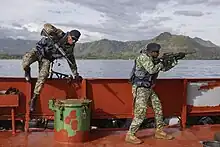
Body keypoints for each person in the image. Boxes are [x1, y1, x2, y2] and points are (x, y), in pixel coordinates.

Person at [22, 23, 82, 113]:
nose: (73, 41)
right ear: (69, 35)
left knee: (43, 76)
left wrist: (75, 74)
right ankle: (27, 71)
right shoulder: (60, 34)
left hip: (46, 59)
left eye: (75, 40)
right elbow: (46, 26)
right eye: (72, 39)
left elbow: (71, 61)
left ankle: (34, 99)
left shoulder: (69, 48)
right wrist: (51, 32)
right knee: (25, 63)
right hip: (38, 51)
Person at [125, 42, 178, 144]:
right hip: (140, 89)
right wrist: (161, 63)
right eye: (156, 52)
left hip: (148, 89)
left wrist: (173, 62)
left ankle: (159, 131)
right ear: (150, 52)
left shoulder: (153, 59)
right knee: (140, 113)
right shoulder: (143, 57)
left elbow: (164, 68)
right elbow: (152, 70)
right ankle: (130, 135)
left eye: (158, 52)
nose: (158, 54)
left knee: (157, 107)